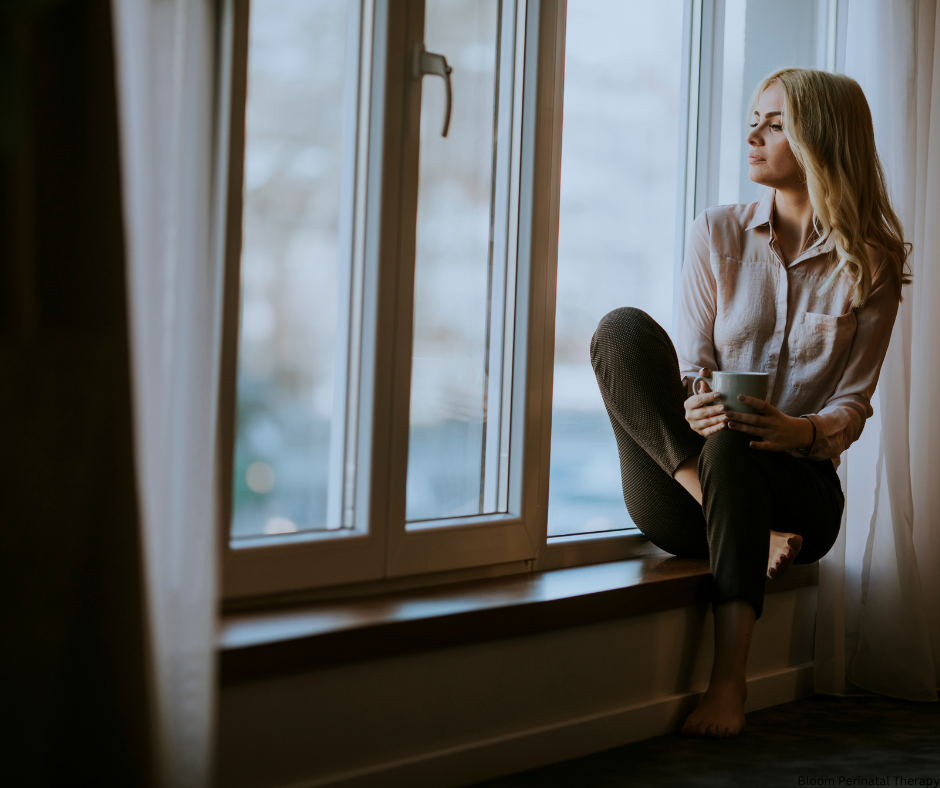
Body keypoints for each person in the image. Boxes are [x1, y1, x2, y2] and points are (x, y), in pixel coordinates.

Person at [590, 68, 910, 738]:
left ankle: (727, 682)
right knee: (621, 330)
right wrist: (700, 401)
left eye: (774, 123)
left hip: (800, 495)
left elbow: (853, 404)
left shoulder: (873, 262)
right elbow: (690, 365)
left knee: (737, 441)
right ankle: (726, 512)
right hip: (692, 488)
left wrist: (798, 431)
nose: (752, 134)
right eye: (752, 119)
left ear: (821, 139)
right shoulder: (718, 233)